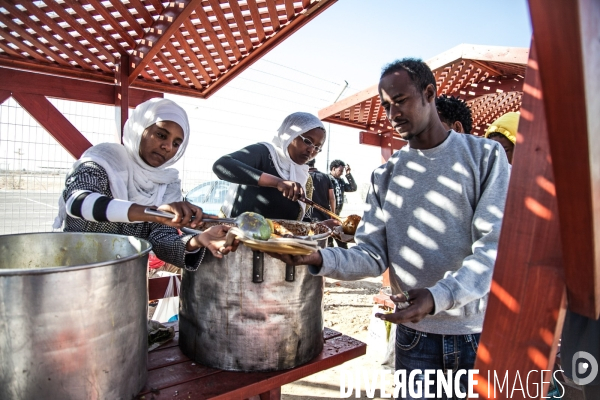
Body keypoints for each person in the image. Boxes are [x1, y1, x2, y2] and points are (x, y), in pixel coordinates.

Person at [271, 58, 510, 399]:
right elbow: (371, 255)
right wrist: (318, 258)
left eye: (400, 101)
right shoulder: (386, 175)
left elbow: (494, 247)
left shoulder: (485, 156)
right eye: (386, 105)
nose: (392, 113)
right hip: (415, 336)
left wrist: (437, 296)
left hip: (476, 333)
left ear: (429, 93)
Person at [53, 98, 234, 271]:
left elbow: (162, 240)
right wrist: (153, 213)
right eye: (161, 135)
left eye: (176, 143)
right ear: (139, 130)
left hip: (125, 284)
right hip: (75, 273)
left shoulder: (167, 183)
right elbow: (78, 202)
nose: (168, 147)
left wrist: (199, 240)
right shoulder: (104, 161)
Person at [213, 112, 326, 221]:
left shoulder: (304, 178)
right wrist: (277, 182)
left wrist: (320, 226)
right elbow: (221, 165)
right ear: (291, 135)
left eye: (317, 147)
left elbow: (296, 220)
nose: (311, 150)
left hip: (277, 240)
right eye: (307, 141)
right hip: (241, 236)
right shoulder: (265, 153)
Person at [328, 159, 357, 248]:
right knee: (329, 241)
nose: (341, 173)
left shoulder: (341, 182)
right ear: (333, 169)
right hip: (328, 215)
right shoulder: (326, 179)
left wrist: (348, 174)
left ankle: (344, 256)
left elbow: (353, 188)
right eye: (340, 171)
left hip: (337, 215)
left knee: (341, 240)